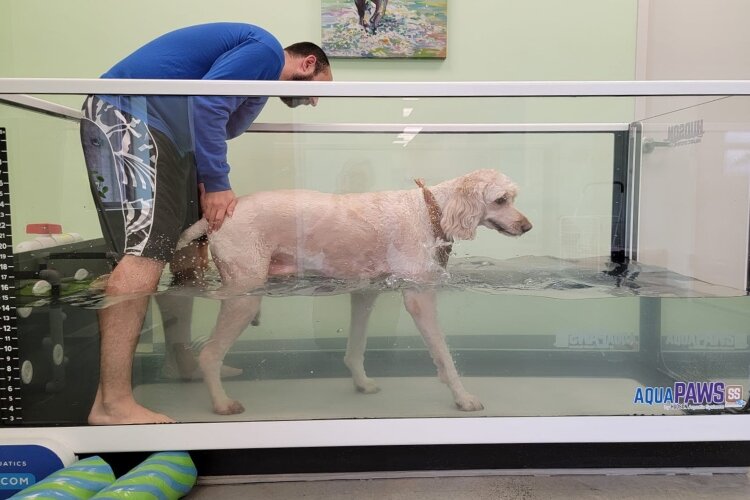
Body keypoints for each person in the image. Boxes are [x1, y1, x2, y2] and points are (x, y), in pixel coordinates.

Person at [80, 22, 333, 424]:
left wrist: (204, 176)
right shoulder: (265, 49)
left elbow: (222, 122)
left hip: (167, 134)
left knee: (188, 253)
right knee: (144, 255)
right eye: (320, 88)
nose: (315, 101)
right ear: (308, 63)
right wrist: (217, 183)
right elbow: (208, 103)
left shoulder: (260, 72)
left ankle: (178, 360)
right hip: (130, 115)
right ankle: (111, 403)